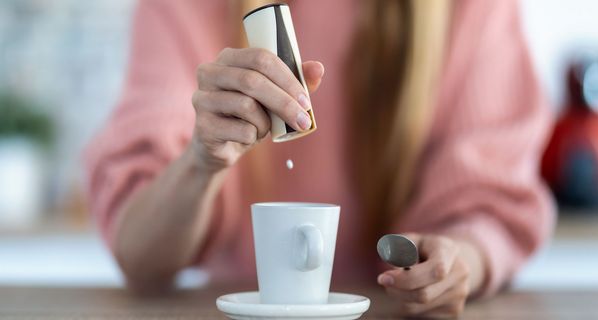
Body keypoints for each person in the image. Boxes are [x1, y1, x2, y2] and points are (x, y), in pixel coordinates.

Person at [84, 0, 555, 317]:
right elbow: (140, 254)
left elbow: (490, 203)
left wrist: (456, 263)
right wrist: (201, 160)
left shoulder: (471, 10)